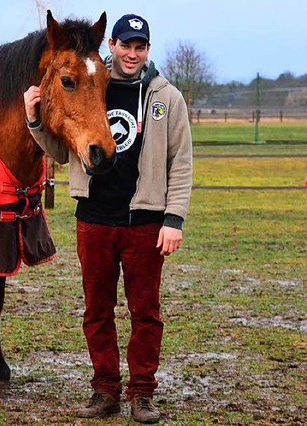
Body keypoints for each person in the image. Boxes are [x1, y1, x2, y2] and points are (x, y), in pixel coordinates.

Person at [23, 13, 192, 424]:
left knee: (145, 312)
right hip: (94, 219)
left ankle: (142, 394)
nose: (132, 54)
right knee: (96, 311)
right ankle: (105, 390)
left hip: (145, 222)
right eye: (125, 45)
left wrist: (174, 219)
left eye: (140, 47)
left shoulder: (166, 97)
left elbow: (181, 163)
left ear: (147, 50)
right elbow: (63, 151)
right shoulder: (92, 82)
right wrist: (33, 120)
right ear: (111, 45)